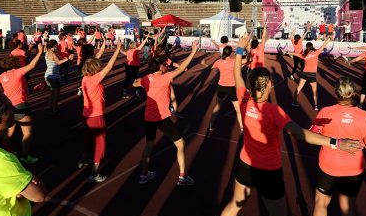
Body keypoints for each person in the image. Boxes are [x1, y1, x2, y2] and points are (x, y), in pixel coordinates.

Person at [207, 34, 363, 216]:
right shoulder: (274, 112)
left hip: (245, 164)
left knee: (234, 204)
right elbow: (301, 134)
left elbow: (236, 75)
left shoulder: (244, 99)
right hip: (269, 171)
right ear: (269, 85)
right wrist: (335, 142)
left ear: (251, 86)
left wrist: (240, 51)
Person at [308, 77, 366, 216]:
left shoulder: (326, 111)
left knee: (321, 203)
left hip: (328, 166)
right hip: (353, 169)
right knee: (348, 207)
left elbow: (312, 134)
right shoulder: (364, 116)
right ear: (353, 93)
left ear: (336, 92)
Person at [133, 41, 199, 185]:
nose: (166, 66)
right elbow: (181, 68)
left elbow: (135, 83)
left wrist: (137, 82)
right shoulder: (165, 77)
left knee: (149, 145)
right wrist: (193, 51)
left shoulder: (147, 78)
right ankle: (182, 176)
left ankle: (144, 174)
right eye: (164, 65)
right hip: (161, 117)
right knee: (180, 143)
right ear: (161, 66)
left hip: (148, 117)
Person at [0, 44, 44, 164]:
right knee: (27, 132)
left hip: (8, 107)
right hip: (20, 105)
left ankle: (3, 152)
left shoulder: (3, 76)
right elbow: (32, 65)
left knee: (9, 132)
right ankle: (25, 156)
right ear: (15, 64)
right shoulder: (17, 72)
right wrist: (40, 52)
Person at [79, 39, 122, 183]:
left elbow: (94, 62)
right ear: (94, 69)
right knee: (99, 143)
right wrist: (118, 49)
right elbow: (109, 66)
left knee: (87, 137)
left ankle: (83, 159)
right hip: (96, 115)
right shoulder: (94, 79)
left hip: (86, 114)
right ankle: (94, 172)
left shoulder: (85, 78)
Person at [205, 45, 243, 132]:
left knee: (217, 106)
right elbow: (246, 60)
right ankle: (242, 128)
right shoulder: (234, 61)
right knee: (238, 110)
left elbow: (209, 67)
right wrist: (243, 49)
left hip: (221, 87)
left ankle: (210, 125)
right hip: (232, 87)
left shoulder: (218, 62)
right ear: (231, 53)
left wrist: (204, 63)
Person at [287, 37, 331, 111]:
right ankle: (316, 106)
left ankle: (294, 101)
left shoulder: (304, 55)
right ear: (312, 46)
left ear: (307, 47)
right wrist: (329, 39)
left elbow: (295, 54)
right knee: (314, 91)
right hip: (312, 75)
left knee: (299, 87)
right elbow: (323, 45)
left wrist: (287, 52)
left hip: (304, 74)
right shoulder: (316, 53)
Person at [44, 40, 74, 113]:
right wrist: (67, 59)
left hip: (48, 75)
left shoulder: (47, 52)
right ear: (54, 45)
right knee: (56, 94)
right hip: (53, 76)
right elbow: (58, 62)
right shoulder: (52, 53)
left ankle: (50, 106)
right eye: (56, 45)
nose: (58, 46)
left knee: (52, 92)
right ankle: (54, 108)